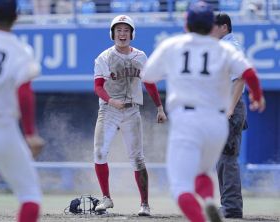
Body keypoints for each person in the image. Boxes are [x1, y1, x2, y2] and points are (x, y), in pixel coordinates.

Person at [141, 1, 265, 222]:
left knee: (180, 188)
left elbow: (147, 76)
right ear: (210, 26)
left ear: (187, 24)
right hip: (216, 121)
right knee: (204, 170)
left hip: (187, 120)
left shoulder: (173, 45)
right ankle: (208, 200)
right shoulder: (224, 48)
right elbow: (250, 73)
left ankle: (203, 215)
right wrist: (257, 96)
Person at [93, 14, 167, 216]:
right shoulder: (104, 57)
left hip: (132, 109)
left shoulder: (140, 56)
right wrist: (111, 101)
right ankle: (106, 198)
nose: (122, 34)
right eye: (118, 30)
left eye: (126, 30)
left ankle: (144, 204)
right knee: (99, 152)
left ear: (132, 34)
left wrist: (159, 107)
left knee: (137, 159)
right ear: (112, 34)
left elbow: (149, 83)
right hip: (109, 110)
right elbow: (98, 87)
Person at [0, 0, 45, 221]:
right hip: (2, 126)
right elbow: (24, 92)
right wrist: (30, 133)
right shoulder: (21, 50)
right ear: (17, 16)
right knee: (30, 195)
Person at [211, 12, 246, 219]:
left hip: (229, 107)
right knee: (222, 159)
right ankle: (227, 204)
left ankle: (232, 207)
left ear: (224, 27)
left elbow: (240, 78)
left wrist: (230, 108)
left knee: (227, 158)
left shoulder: (230, 48)